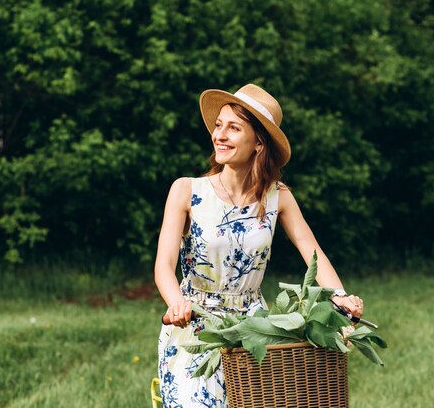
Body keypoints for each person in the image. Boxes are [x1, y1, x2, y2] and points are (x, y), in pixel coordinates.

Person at [154, 84, 364, 407]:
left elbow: (314, 255)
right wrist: (176, 302)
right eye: (219, 125)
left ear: (258, 144)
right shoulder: (187, 191)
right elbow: (164, 265)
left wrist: (341, 297)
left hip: (254, 330)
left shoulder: (278, 197)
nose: (219, 135)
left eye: (233, 128)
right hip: (195, 325)